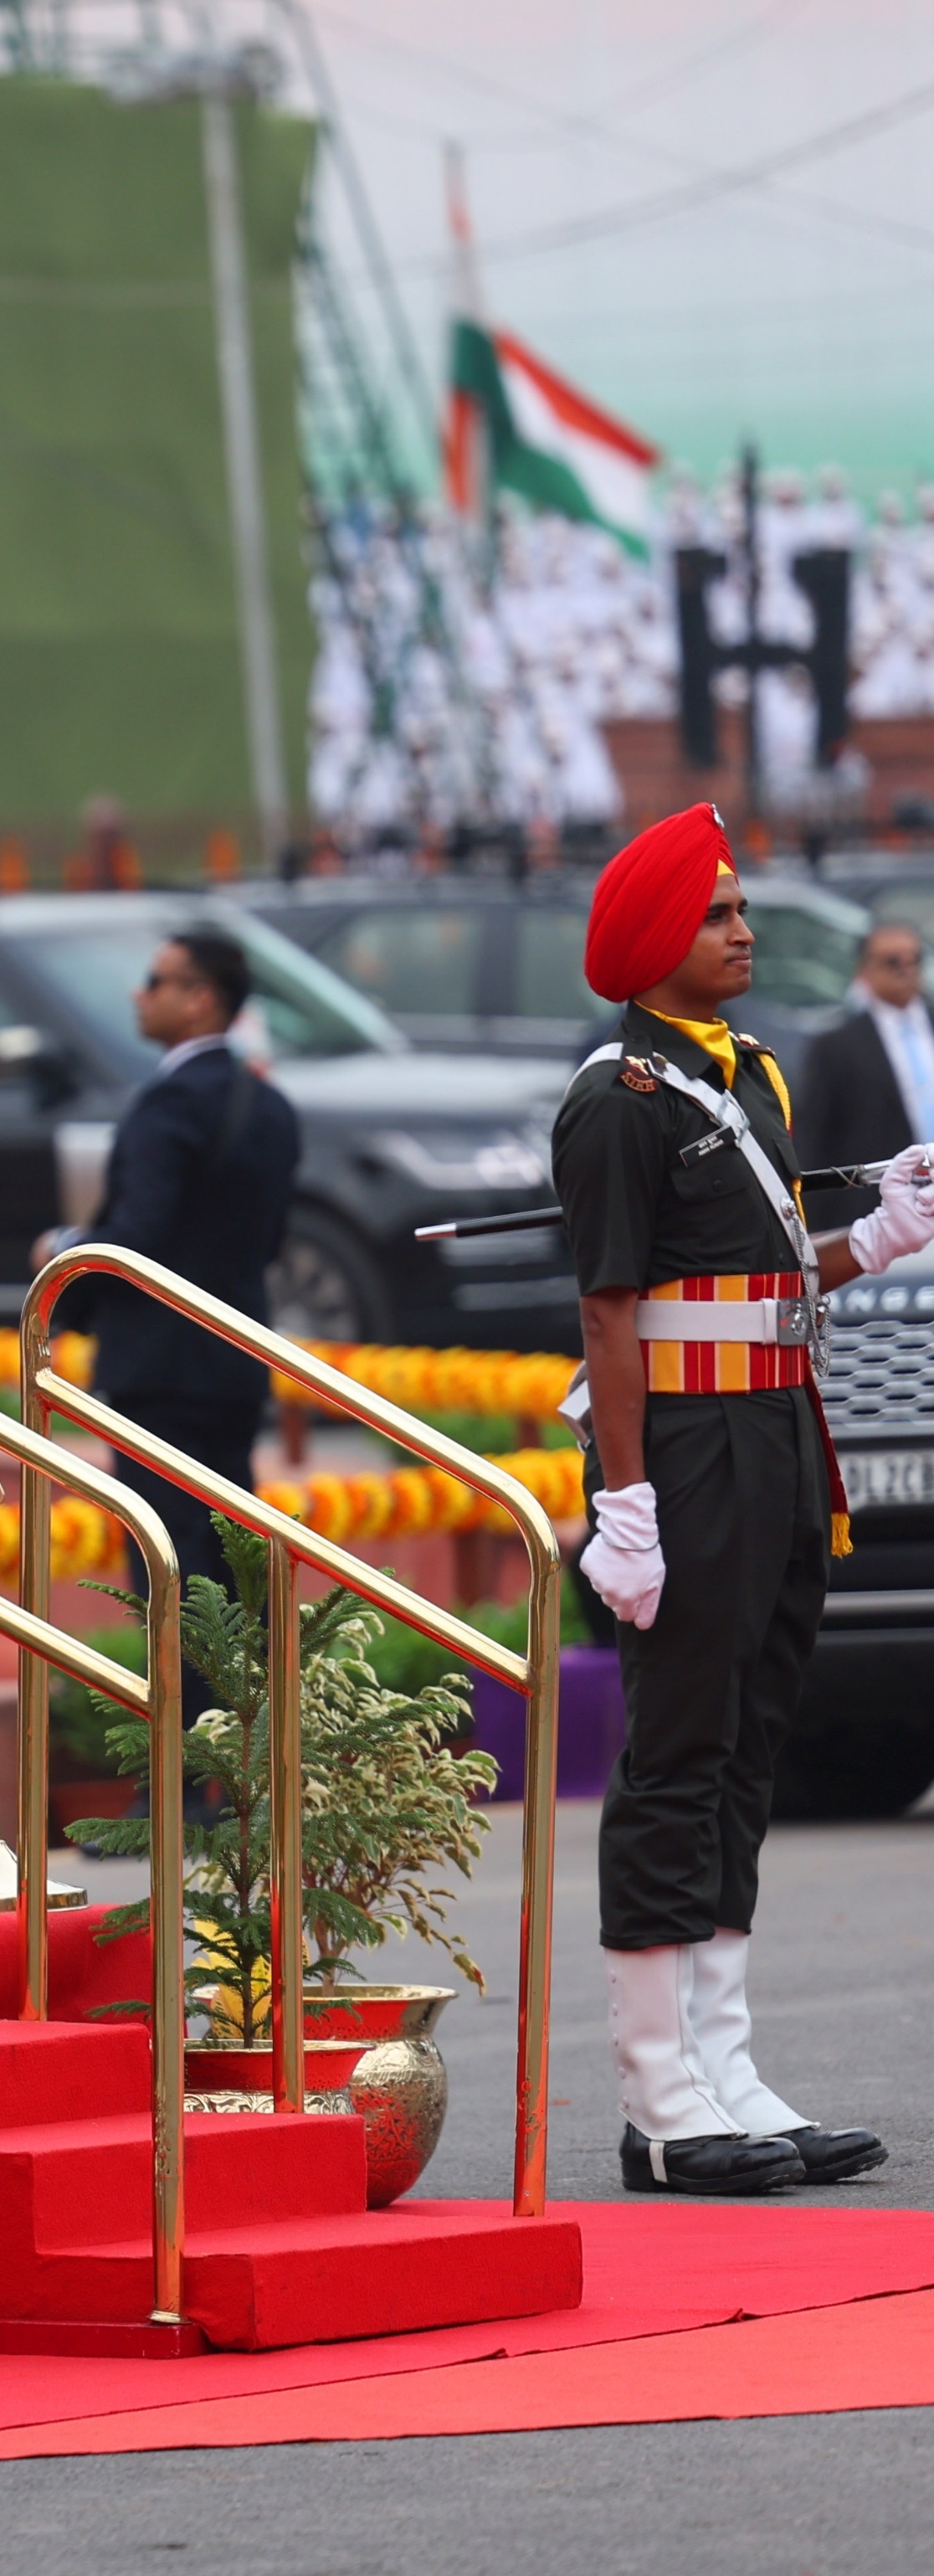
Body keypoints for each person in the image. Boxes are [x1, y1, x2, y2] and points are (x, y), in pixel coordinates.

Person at [558, 804, 929, 2196]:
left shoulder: (754, 1076)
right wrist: (626, 1498)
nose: (742, 927)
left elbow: (765, 1287)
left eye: (738, 907)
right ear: (658, 941)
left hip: (779, 1435)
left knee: (748, 1738)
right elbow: (610, 1310)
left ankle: (726, 2067)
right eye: (715, 913)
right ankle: (660, 2095)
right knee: (675, 1749)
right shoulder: (618, 1101)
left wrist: (877, 1235)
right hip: (692, 1448)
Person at [36, 924, 301, 1670]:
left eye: (155, 980)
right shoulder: (269, 1105)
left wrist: (62, 1251)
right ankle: (254, 1756)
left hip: (159, 1368)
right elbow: (269, 1237)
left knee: (169, 1569)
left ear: (199, 999)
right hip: (236, 1358)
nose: (138, 993)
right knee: (234, 1565)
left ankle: (182, 1767)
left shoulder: (167, 1103)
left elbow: (137, 1239)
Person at [791, 918, 932, 1180]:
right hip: (880, 1200)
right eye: (893, 962)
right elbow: (814, 1139)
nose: (907, 969)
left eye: (915, 959)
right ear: (864, 969)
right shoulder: (836, 1047)